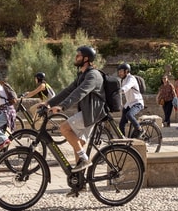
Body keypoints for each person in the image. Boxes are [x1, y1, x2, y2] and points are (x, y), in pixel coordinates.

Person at [44, 45, 105, 179]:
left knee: (64, 128)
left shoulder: (93, 75)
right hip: (88, 113)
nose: (75, 57)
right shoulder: (82, 75)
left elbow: (80, 92)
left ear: (86, 59)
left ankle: (85, 159)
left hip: (92, 113)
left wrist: (62, 107)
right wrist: (49, 103)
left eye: (78, 55)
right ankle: (79, 182)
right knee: (77, 145)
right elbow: (68, 91)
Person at [117, 63, 145, 138]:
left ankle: (140, 129)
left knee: (129, 115)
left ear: (126, 71)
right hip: (129, 104)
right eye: (119, 71)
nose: (119, 73)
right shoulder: (123, 80)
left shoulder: (131, 78)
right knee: (121, 123)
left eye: (121, 71)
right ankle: (122, 139)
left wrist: (121, 90)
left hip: (137, 103)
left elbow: (127, 86)